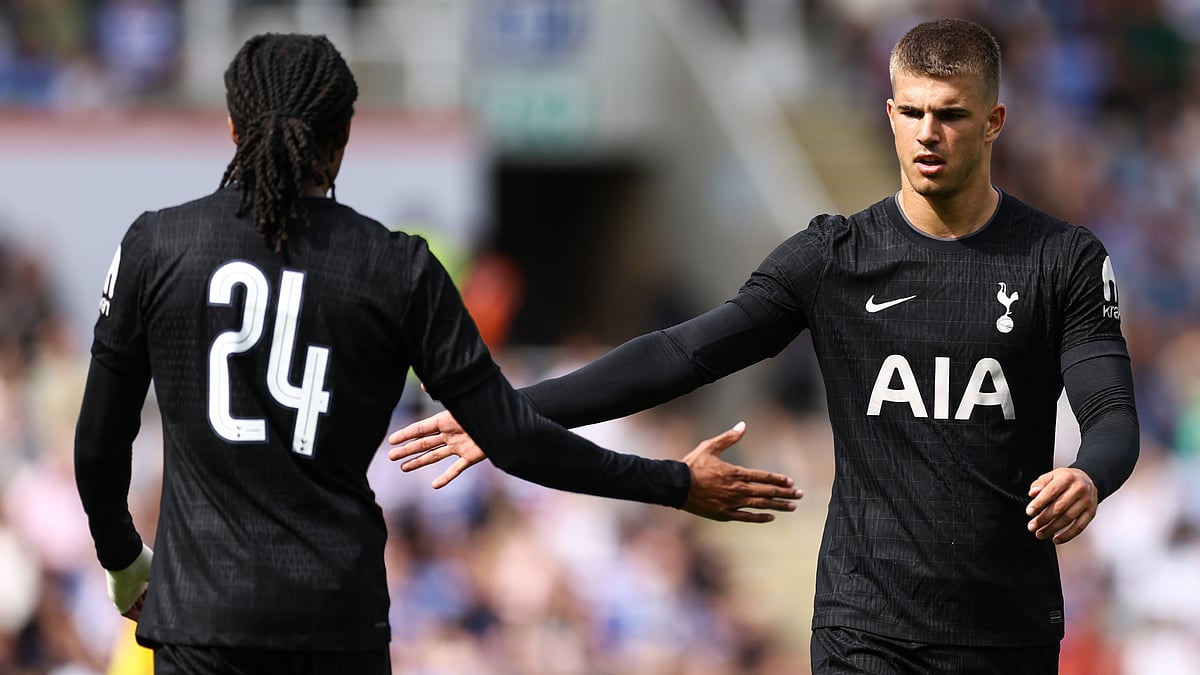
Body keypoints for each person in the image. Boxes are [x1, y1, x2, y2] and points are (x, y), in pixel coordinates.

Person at [388, 18, 1140, 674]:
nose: (926, 134)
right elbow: (683, 354)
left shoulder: (1060, 259)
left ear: (995, 120)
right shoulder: (836, 255)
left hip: (1007, 625)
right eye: (910, 112)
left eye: (949, 114)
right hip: (866, 625)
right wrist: (508, 409)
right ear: (887, 112)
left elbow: (1110, 410)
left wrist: (1089, 475)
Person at [72, 33, 802, 675]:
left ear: (231, 127)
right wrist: (674, 482)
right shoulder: (398, 267)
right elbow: (513, 438)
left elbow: (101, 447)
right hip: (337, 619)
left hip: (200, 621)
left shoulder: (154, 245)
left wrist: (122, 561)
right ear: (344, 137)